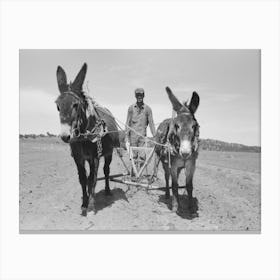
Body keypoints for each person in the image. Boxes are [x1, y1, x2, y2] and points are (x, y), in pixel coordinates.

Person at [125, 88, 156, 173]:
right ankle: (133, 175)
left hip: (142, 137)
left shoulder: (147, 109)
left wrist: (155, 137)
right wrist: (126, 138)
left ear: (143, 96)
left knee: (142, 157)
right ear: (135, 96)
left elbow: (151, 124)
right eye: (138, 95)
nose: (139, 96)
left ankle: (141, 175)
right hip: (133, 138)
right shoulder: (131, 108)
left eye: (141, 95)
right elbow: (127, 123)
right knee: (133, 157)